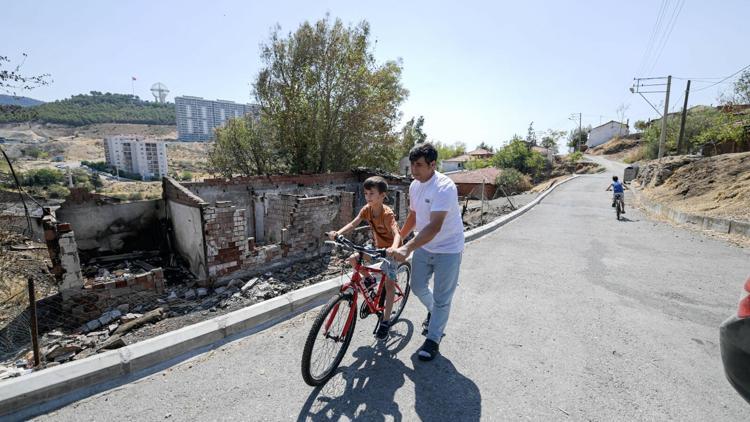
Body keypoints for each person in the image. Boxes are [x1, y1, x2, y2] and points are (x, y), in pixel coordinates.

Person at [390, 143, 465, 362]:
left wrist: (407, 248)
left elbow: (434, 226)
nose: (414, 170)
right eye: (412, 165)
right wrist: (400, 238)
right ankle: (435, 314)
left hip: (448, 249)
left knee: (443, 298)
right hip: (424, 245)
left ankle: (433, 339)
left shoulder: (444, 187)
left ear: (433, 165)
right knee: (417, 286)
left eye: (419, 165)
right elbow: (414, 215)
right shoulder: (415, 185)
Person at [328, 176, 401, 340]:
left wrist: (393, 248)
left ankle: (385, 322)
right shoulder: (366, 209)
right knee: (353, 259)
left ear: (382, 195)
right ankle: (369, 281)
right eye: (366, 193)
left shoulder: (387, 213)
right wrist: (338, 233)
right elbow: (354, 224)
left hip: (391, 251)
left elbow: (397, 233)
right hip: (376, 247)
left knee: (390, 286)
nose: (368, 197)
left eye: (372, 193)